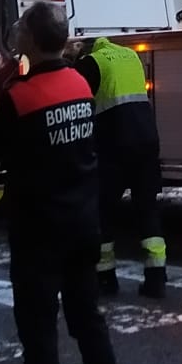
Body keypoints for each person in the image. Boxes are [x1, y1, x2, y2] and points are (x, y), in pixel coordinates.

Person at [0, 0, 128, 364]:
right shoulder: (79, 84)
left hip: (40, 233)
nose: (13, 31)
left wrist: (1, 88)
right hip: (84, 227)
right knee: (89, 326)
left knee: (40, 342)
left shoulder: (20, 95)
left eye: (19, 28)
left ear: (33, 42)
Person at [76, 35, 167, 299]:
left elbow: (78, 101)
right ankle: (156, 278)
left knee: (103, 211)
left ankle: (106, 279)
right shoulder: (131, 56)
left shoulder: (92, 63)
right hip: (147, 140)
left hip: (113, 145)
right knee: (148, 209)